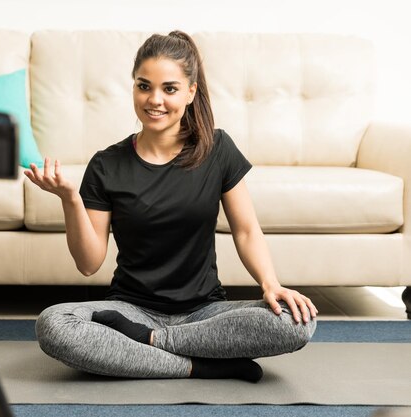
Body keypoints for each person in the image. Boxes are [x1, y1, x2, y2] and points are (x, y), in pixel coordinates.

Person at [23, 30, 317, 382]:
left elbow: (246, 230)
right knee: (54, 325)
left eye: (170, 89)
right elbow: (88, 264)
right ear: (133, 87)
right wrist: (70, 199)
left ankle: (152, 344)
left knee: (297, 321)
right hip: (130, 311)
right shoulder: (106, 164)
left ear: (191, 92)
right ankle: (199, 366)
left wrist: (270, 284)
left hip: (204, 313)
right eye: (144, 86)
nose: (155, 100)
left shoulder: (218, 149)